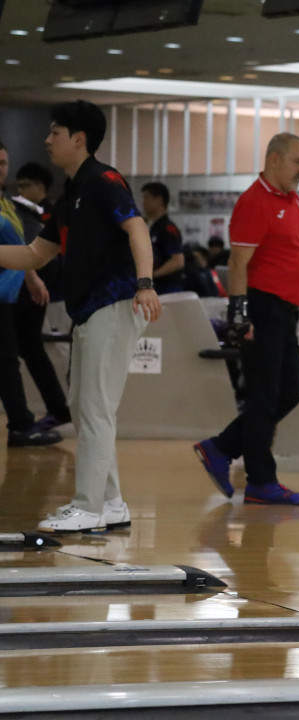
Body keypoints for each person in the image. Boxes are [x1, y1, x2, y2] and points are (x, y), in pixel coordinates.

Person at [0, 100, 162, 532]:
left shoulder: (104, 180)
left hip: (115, 302)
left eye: (55, 132)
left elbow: (137, 228)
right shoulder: (71, 194)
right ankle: (110, 503)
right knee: (86, 405)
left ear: (79, 139)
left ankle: (87, 506)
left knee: (93, 407)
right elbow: (36, 253)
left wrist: (145, 283)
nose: (47, 140)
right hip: (90, 310)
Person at [194, 133, 299, 506]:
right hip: (262, 308)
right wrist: (239, 315)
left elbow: (297, 249)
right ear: (274, 159)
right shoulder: (254, 202)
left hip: (287, 310)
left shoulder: (290, 199)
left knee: (288, 393)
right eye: (298, 161)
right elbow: (238, 263)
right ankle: (260, 479)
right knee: (264, 396)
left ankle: (221, 448)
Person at [12, 161, 72, 431]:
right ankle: (58, 408)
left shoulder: (45, 214)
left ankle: (54, 409)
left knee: (28, 344)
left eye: (26, 185)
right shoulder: (19, 209)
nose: (21, 190)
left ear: (41, 186)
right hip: (34, 281)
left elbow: (38, 253)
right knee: (29, 344)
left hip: (49, 288)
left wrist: (35, 279)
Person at [140, 182, 185, 295]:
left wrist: (151, 275)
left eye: (146, 198)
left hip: (168, 289)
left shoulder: (168, 228)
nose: (143, 203)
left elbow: (178, 261)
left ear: (159, 200)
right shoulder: (154, 227)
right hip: (157, 288)